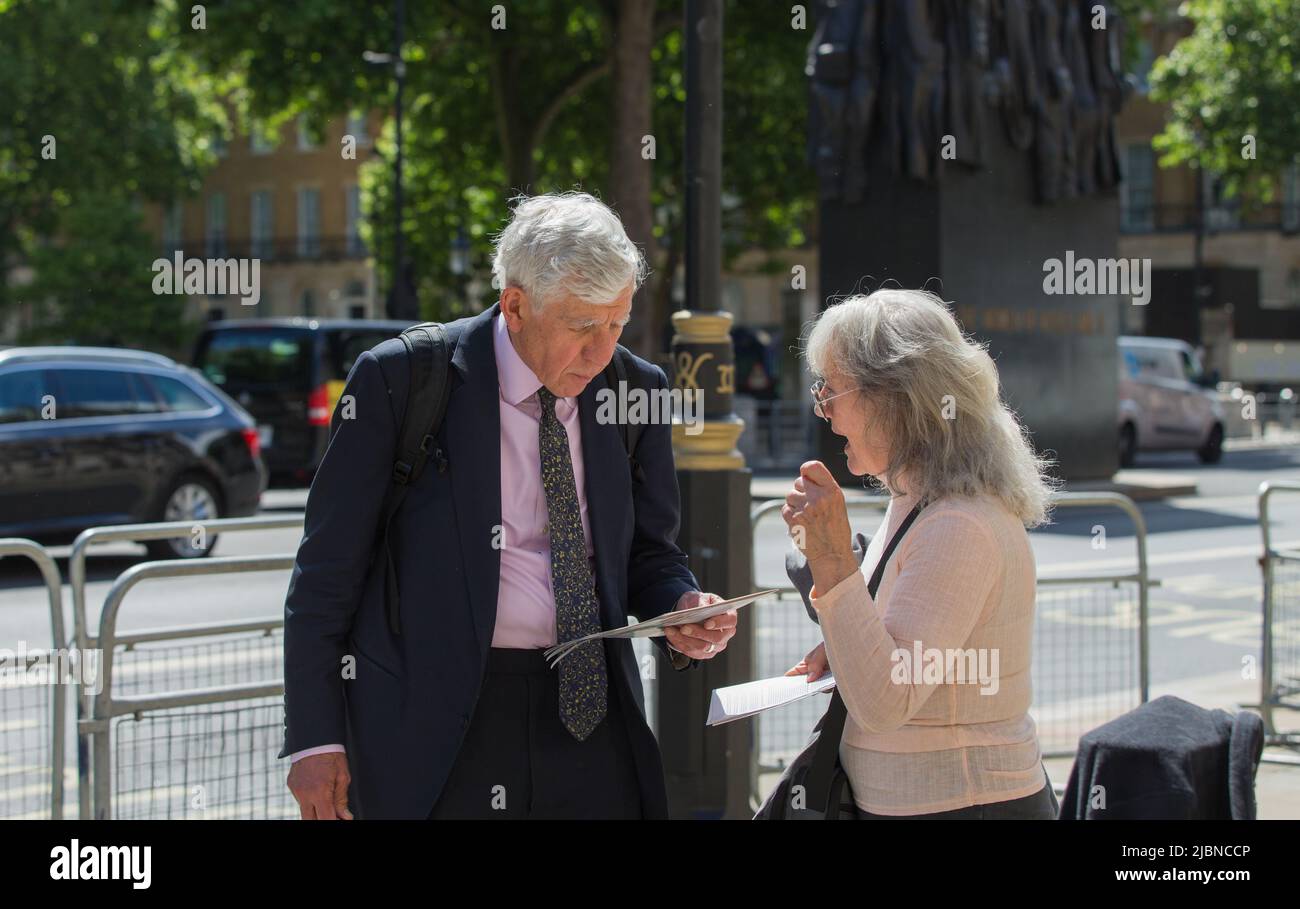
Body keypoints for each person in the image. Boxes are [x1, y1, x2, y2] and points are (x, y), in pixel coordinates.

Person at [281, 191, 736, 819]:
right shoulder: (401, 381)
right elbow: (326, 573)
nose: (601, 353)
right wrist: (315, 739)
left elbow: (649, 555)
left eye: (617, 324)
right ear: (515, 306)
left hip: (592, 718)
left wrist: (680, 605)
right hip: (439, 727)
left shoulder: (636, 390)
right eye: (582, 326)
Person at [782, 288, 1062, 819]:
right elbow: (893, 649)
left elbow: (887, 701)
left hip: (964, 806)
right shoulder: (917, 497)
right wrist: (845, 648)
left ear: (892, 400)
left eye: (832, 392)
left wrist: (834, 557)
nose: (825, 414)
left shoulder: (958, 523)